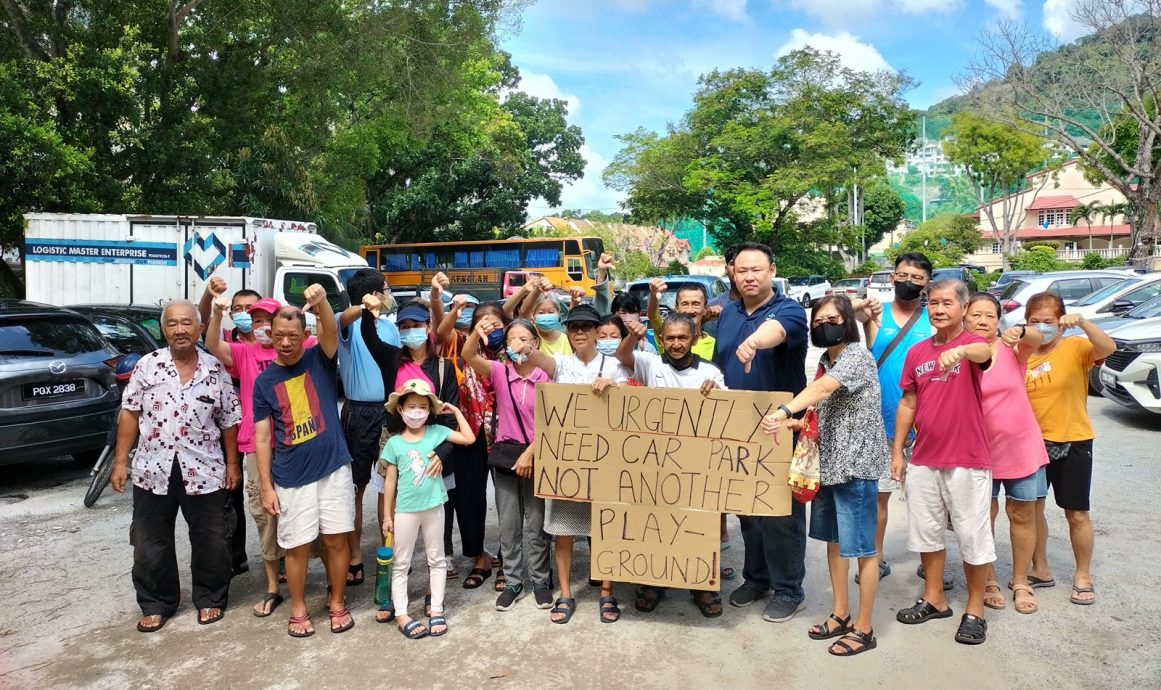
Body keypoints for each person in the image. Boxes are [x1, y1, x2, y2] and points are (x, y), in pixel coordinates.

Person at [756, 295, 888, 657]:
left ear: (848, 322)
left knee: (862, 550)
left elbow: (823, 390)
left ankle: (865, 627)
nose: (823, 324)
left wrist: (783, 410)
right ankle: (841, 612)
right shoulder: (825, 362)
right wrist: (798, 420)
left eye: (832, 318)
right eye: (817, 320)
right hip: (827, 467)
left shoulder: (856, 357)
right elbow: (822, 407)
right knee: (833, 544)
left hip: (856, 467)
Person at [110, 300, 242, 633]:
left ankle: (210, 598)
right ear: (164, 329)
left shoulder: (215, 370)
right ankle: (156, 602)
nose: (179, 330)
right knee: (149, 540)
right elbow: (130, 412)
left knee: (212, 538)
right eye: (172, 324)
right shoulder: (147, 366)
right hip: (153, 469)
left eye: (187, 323)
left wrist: (232, 465)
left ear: (200, 328)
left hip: (205, 468)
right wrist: (120, 462)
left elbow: (228, 421)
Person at [891, 279, 995, 646]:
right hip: (923, 458)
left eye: (947, 303)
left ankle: (975, 609)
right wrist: (898, 452)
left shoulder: (972, 344)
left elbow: (985, 352)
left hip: (967, 458)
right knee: (927, 533)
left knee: (972, 535)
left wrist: (963, 353)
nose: (939, 310)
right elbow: (908, 403)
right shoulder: (917, 352)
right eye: (933, 303)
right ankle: (934, 598)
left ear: (964, 308)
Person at [712, 241, 809, 624]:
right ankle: (758, 578)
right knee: (748, 508)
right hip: (736, 427)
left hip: (780, 426)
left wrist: (754, 342)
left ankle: (789, 589)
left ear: (772, 270)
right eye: (741, 270)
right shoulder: (728, 313)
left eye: (756, 269)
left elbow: (776, 331)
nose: (749, 276)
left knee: (782, 512)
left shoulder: (789, 309)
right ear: (732, 273)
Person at [253, 289, 355, 638]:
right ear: (269, 335)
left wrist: (323, 300)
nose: (284, 342)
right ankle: (298, 608)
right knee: (295, 547)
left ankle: (337, 602)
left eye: (292, 335)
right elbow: (263, 438)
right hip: (291, 476)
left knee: (336, 540)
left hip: (334, 468)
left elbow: (330, 327)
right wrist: (266, 486)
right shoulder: (264, 382)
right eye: (278, 335)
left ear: (304, 336)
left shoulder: (319, 359)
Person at [206, 293, 314, 616]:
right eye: (258, 322)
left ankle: (299, 576)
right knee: (264, 514)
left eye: (269, 320)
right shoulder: (243, 352)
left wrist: (314, 307)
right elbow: (213, 345)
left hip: (296, 441)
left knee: (300, 510)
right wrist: (215, 313)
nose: (265, 327)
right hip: (256, 445)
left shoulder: (300, 347)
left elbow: (323, 337)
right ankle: (272, 586)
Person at [615, 313, 727, 618]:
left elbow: (730, 416)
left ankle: (703, 585)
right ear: (661, 340)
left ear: (694, 339)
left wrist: (717, 396)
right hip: (655, 463)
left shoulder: (711, 372)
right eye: (670, 338)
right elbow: (622, 356)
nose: (676, 344)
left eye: (683, 338)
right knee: (655, 525)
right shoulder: (651, 363)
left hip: (697, 465)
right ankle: (654, 583)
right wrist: (630, 334)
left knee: (699, 526)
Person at [527, 303, 632, 624]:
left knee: (605, 527)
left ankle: (606, 592)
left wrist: (613, 386)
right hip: (566, 464)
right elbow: (538, 358)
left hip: (606, 463)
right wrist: (524, 343)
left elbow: (632, 398)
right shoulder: (559, 364)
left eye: (586, 327)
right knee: (563, 530)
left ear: (597, 331)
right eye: (574, 328)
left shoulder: (614, 365)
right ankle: (565, 594)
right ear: (567, 333)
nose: (580, 332)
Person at [1023, 292, 1116, 606]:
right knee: (1032, 510)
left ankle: (1082, 575)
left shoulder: (1076, 346)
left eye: (1048, 321)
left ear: (1061, 323)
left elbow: (1108, 348)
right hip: (1032, 444)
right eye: (1034, 321)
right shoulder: (1022, 354)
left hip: (1073, 440)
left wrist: (1085, 323)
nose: (1041, 327)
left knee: (1076, 513)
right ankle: (1041, 568)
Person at [963, 293, 1048, 614]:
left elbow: (1040, 337)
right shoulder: (960, 353)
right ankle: (988, 579)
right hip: (978, 451)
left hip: (1020, 446)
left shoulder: (1013, 348)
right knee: (984, 517)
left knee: (1023, 514)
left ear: (999, 320)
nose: (983, 321)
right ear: (965, 318)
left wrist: (1024, 331)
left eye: (989, 316)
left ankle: (1021, 579)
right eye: (976, 315)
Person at [463, 318, 554, 612]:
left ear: (535, 343)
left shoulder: (547, 377)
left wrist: (531, 453)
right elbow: (468, 356)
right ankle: (514, 581)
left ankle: (541, 581)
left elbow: (554, 422)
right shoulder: (501, 372)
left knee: (537, 526)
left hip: (539, 457)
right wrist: (477, 333)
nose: (518, 344)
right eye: (512, 339)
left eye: (524, 339)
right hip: (505, 460)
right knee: (509, 525)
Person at [860, 252, 936, 587]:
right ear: (892, 277)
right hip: (881, 423)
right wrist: (863, 310)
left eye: (917, 278)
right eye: (903, 275)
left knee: (928, 500)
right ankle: (876, 557)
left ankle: (929, 561)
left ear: (926, 284)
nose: (909, 282)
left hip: (927, 426)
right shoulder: (876, 316)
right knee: (880, 495)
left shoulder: (933, 319)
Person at [380, 379, 477, 639]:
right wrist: (387, 516)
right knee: (401, 564)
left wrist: (456, 412)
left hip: (434, 508)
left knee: (437, 560)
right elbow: (390, 482)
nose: (416, 412)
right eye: (411, 406)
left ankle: (436, 610)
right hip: (405, 511)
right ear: (400, 409)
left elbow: (468, 438)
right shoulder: (394, 444)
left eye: (422, 406)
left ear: (429, 410)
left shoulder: (436, 432)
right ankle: (401, 613)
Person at [333, 268, 401, 590]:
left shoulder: (390, 327)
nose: (388, 295)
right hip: (358, 413)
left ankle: (389, 551)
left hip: (388, 411)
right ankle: (355, 555)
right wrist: (362, 309)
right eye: (385, 290)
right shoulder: (347, 324)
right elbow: (341, 319)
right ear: (372, 294)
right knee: (355, 488)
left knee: (389, 486)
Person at [429, 281, 501, 586]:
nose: (490, 328)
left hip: (504, 438)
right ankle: (477, 556)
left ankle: (509, 557)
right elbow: (442, 332)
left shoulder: (514, 348)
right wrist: (453, 308)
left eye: (496, 323)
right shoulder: (460, 343)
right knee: (470, 499)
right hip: (468, 435)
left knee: (510, 501)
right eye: (482, 322)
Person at [646, 278, 716, 360]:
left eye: (696, 304)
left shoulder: (714, 344)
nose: (690, 310)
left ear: (705, 309)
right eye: (685, 304)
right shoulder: (668, 335)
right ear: (676, 309)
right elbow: (653, 315)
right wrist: (653, 293)